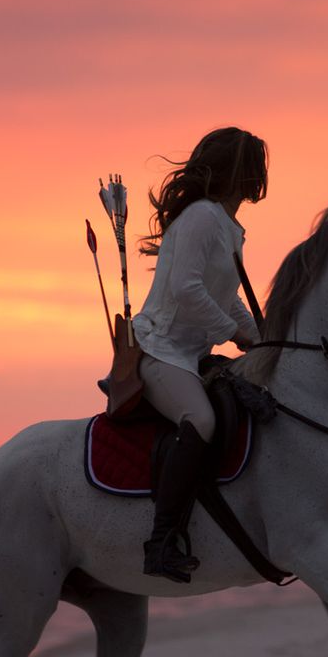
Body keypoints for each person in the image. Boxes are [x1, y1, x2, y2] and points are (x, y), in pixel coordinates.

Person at [132, 126, 268, 582]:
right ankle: (162, 543)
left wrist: (261, 337)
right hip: (159, 350)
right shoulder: (203, 217)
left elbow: (224, 295)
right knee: (202, 421)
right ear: (240, 173)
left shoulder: (228, 226)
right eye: (254, 167)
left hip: (189, 355)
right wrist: (232, 333)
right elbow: (185, 288)